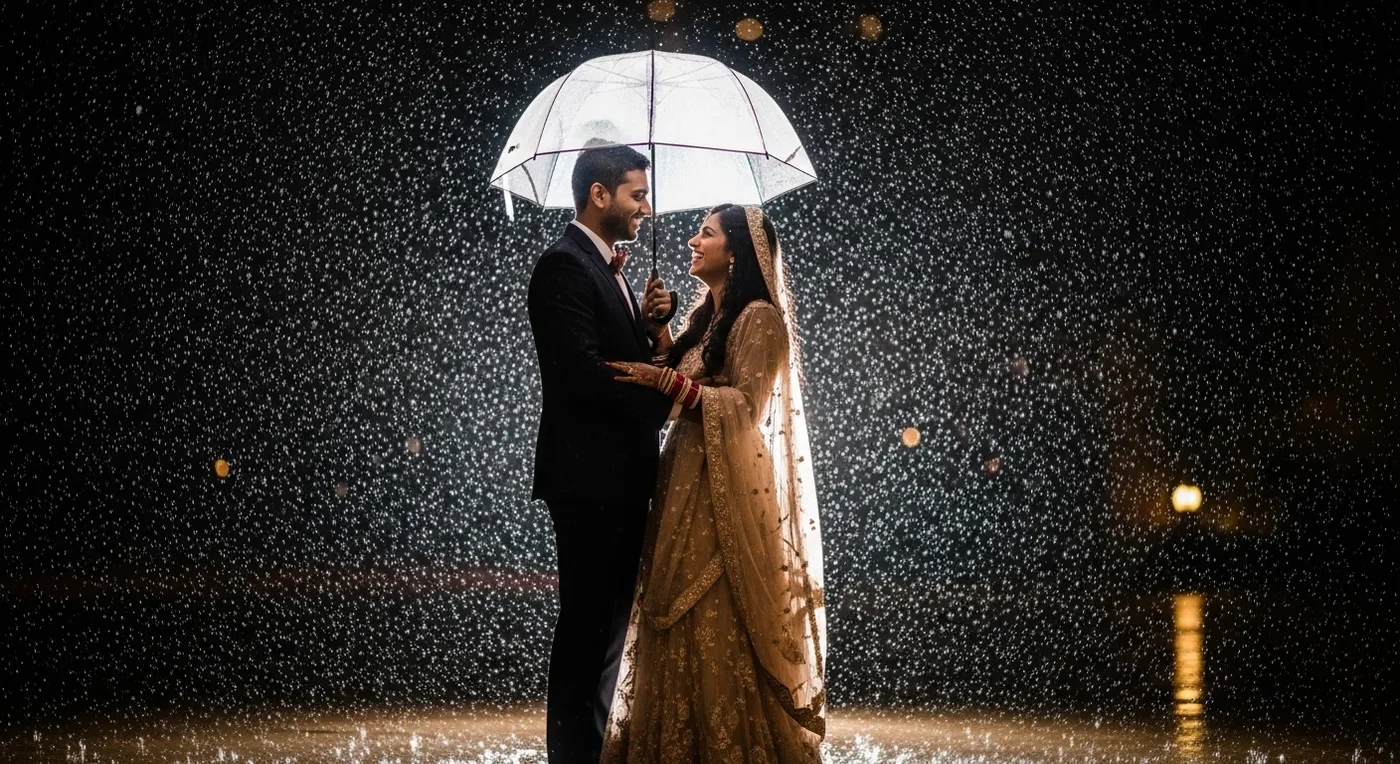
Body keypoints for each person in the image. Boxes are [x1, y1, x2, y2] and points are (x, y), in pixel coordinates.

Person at [603, 204, 827, 763]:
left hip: (723, 487)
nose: (692, 241)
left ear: (737, 251)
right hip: (683, 481)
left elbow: (746, 406)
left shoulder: (760, 318)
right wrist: (659, 335)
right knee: (669, 606)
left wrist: (670, 381)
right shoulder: (708, 318)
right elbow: (678, 380)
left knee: (714, 610)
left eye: (706, 233)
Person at [526, 144, 679, 764]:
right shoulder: (563, 266)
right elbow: (581, 374)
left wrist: (648, 327)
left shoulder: (610, 269)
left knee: (609, 631)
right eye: (637, 194)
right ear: (599, 195)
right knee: (587, 633)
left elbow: (615, 356)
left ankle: (593, 754)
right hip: (590, 479)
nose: (646, 206)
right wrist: (665, 391)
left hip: (619, 477)